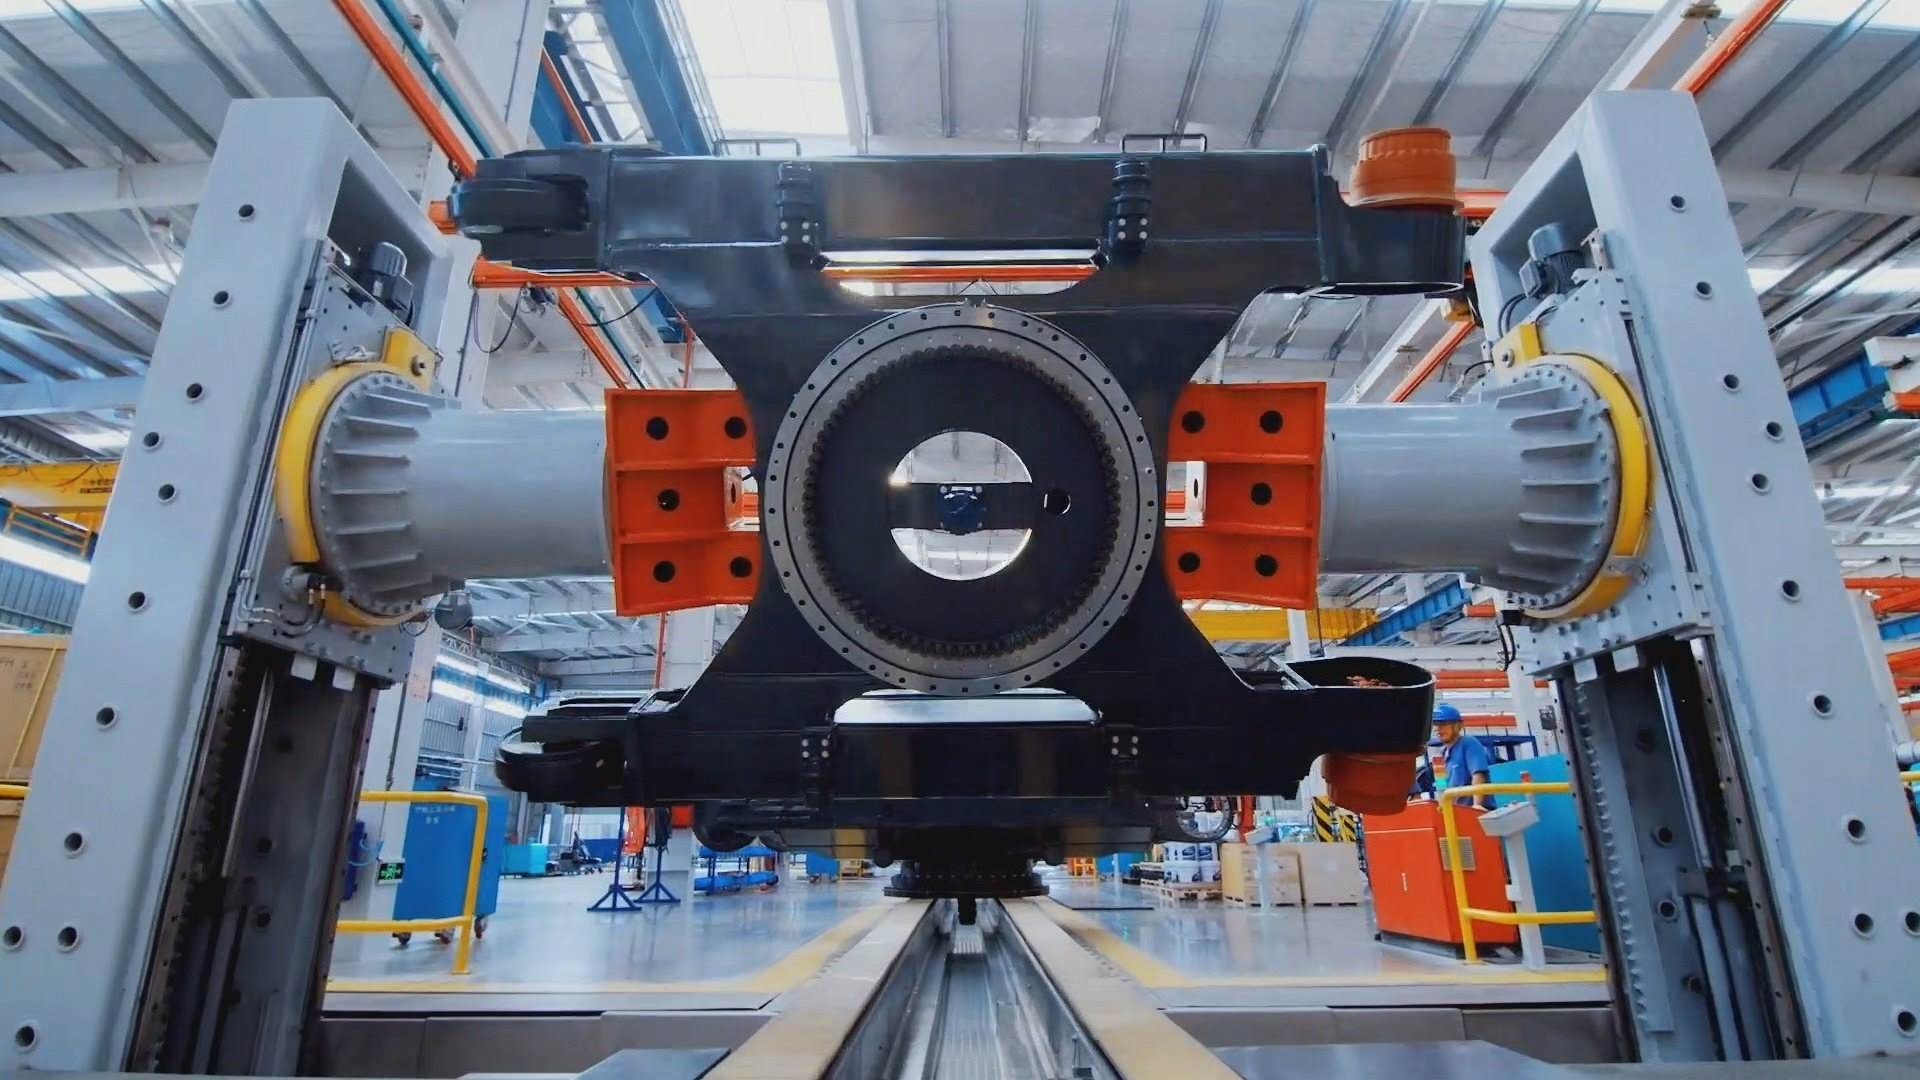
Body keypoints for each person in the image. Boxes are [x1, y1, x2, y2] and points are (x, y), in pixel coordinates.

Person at [1433, 703, 1494, 809]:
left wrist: (1477, 805)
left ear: (1459, 726)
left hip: (1476, 813)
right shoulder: (1442, 755)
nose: (1438, 729)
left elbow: (1478, 775)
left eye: (1443, 724)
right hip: (1454, 813)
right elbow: (1441, 786)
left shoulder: (1468, 743)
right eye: (1435, 724)